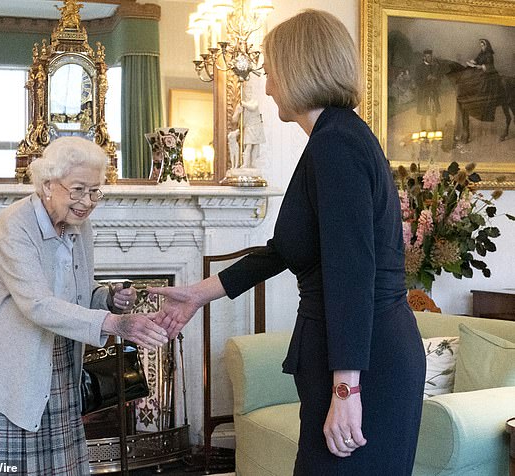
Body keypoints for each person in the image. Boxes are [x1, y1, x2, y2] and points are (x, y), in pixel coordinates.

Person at [151, 9, 425, 476]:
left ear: (300, 68)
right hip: (357, 354)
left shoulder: (336, 144)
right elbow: (286, 249)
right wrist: (198, 293)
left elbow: (350, 272)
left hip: (367, 362)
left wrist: (346, 389)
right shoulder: (333, 137)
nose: (268, 80)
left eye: (271, 66)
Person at [0, 136, 169, 475]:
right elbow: (38, 304)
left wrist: (107, 297)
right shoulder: (13, 227)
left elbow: (77, 290)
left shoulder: (79, 227)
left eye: (95, 191)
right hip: (13, 370)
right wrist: (114, 324)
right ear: (48, 184)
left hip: (59, 363)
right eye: (78, 189)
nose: (87, 201)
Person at [414, 49, 442, 130]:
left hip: (433, 94)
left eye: (431, 56)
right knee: (424, 115)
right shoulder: (419, 68)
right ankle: (423, 133)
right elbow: (417, 82)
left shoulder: (435, 67)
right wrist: (426, 79)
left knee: (433, 114)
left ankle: (434, 132)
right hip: (423, 95)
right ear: (424, 57)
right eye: (428, 56)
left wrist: (435, 79)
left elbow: (439, 81)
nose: (430, 58)